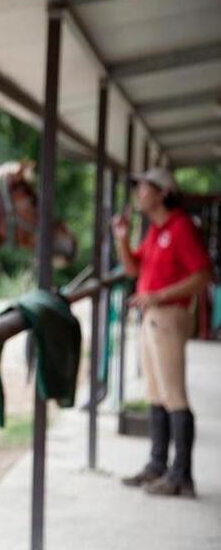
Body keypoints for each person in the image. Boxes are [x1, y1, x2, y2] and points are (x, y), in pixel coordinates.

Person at [111, 167, 211, 498]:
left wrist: (157, 296)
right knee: (156, 393)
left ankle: (181, 475)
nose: (139, 192)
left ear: (163, 193)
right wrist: (121, 238)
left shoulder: (181, 227)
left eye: (144, 187)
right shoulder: (156, 230)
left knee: (174, 395)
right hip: (152, 316)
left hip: (168, 315)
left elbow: (201, 276)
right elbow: (131, 268)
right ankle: (158, 465)